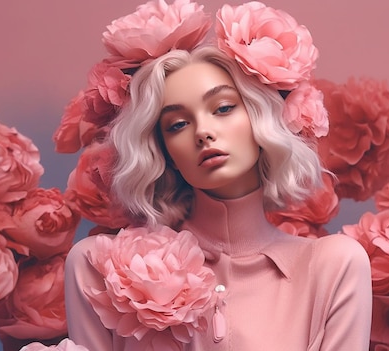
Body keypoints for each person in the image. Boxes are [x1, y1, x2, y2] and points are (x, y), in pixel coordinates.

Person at [64, 2, 372, 350]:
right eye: (177, 124)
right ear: (166, 153)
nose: (203, 132)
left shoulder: (333, 267)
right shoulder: (99, 270)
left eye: (223, 108)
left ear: (261, 119)